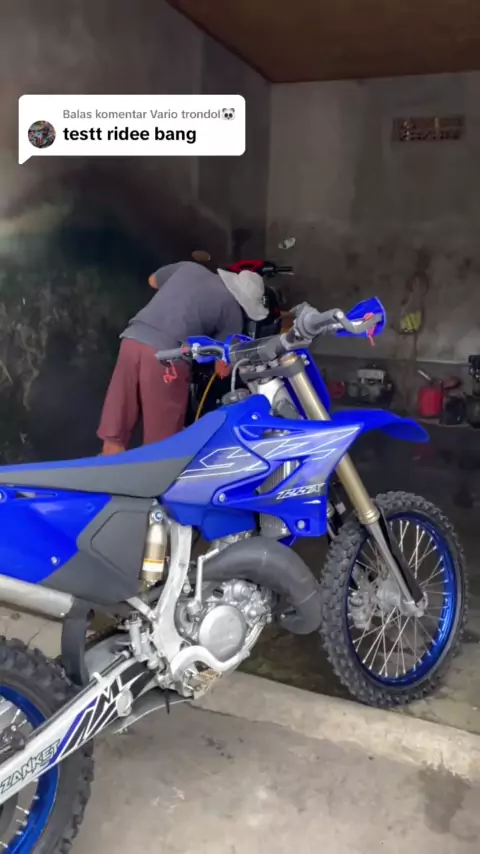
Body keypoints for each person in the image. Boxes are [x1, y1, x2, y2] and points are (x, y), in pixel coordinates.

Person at [97, 257, 268, 454]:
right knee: (162, 444)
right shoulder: (232, 310)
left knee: (116, 431)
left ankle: (109, 468)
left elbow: (153, 280)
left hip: (132, 339)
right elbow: (222, 369)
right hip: (167, 356)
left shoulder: (189, 268)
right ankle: (157, 473)